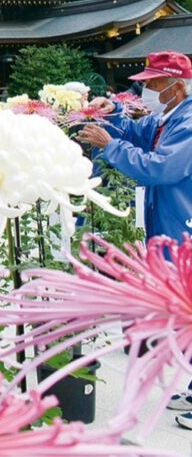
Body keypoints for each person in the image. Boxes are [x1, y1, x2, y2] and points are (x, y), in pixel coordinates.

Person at [78, 51, 192, 426]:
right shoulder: (167, 116)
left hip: (185, 225)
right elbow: (135, 132)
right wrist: (110, 111)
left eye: (152, 84)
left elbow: (162, 167)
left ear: (175, 87)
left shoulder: (189, 121)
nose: (145, 90)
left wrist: (109, 146)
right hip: (170, 224)